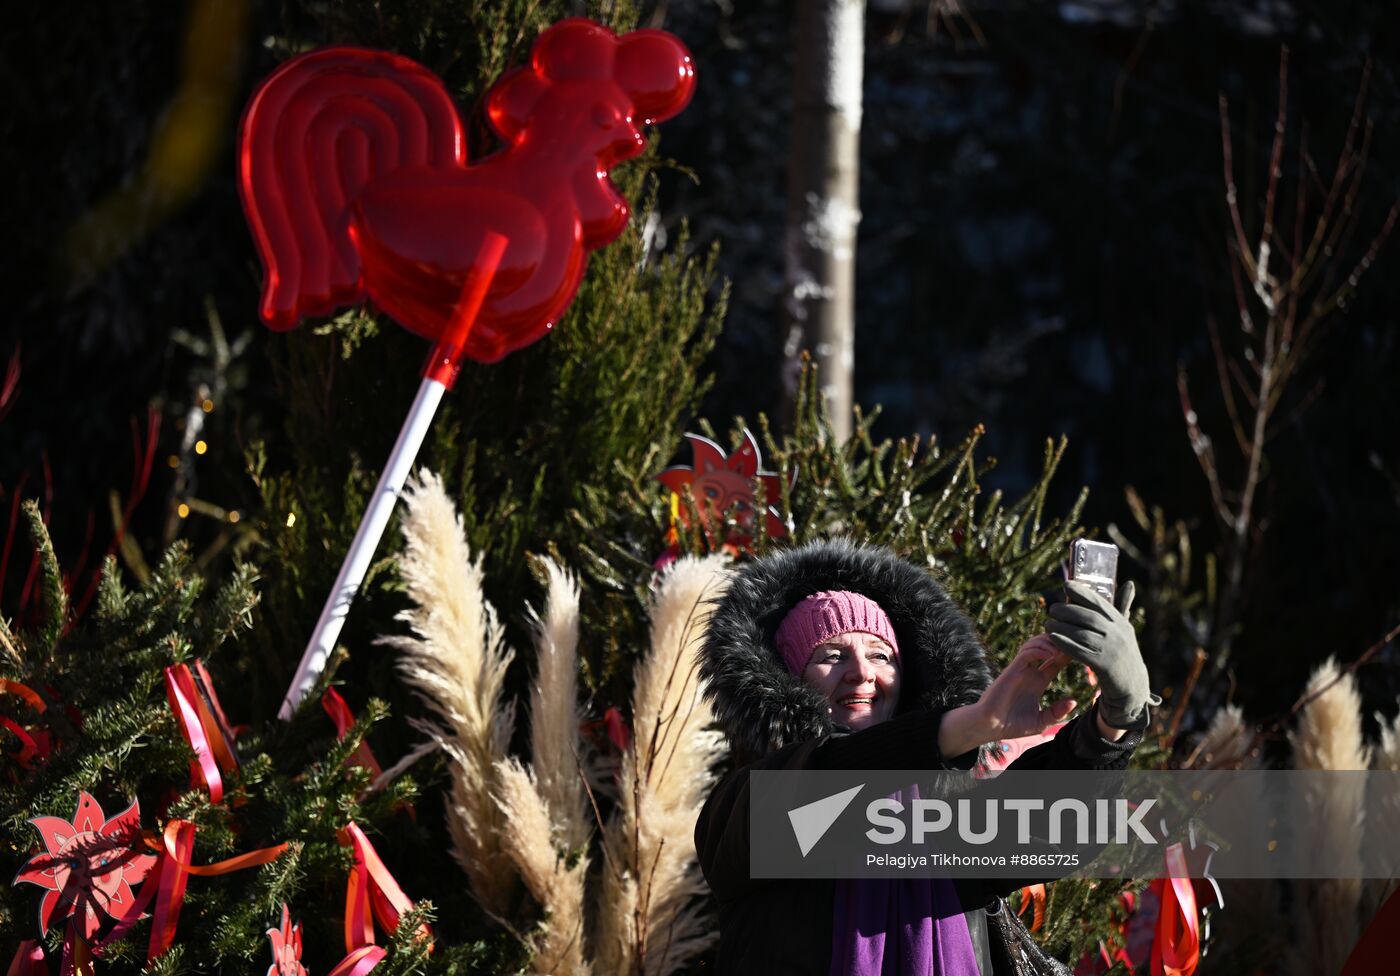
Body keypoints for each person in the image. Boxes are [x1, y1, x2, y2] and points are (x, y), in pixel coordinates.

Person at [695, 539, 1158, 976]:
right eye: (831, 655)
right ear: (789, 680)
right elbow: (829, 780)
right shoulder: (744, 804)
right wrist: (967, 725)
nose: (862, 673)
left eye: (881, 655)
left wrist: (1113, 722)